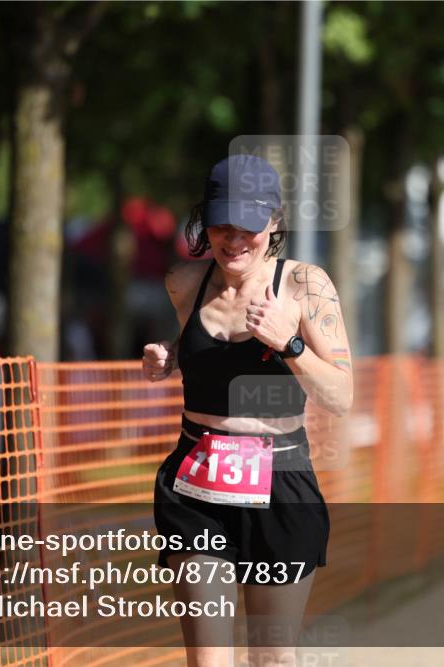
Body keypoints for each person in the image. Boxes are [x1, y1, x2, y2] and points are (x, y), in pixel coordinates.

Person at [143, 154, 354, 667]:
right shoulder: (183, 282)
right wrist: (171, 356)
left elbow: (341, 396)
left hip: (280, 480)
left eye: (248, 227)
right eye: (222, 226)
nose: (234, 239)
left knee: (271, 659)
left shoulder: (304, 286)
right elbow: (205, 350)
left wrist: (290, 345)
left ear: (275, 221)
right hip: (198, 484)